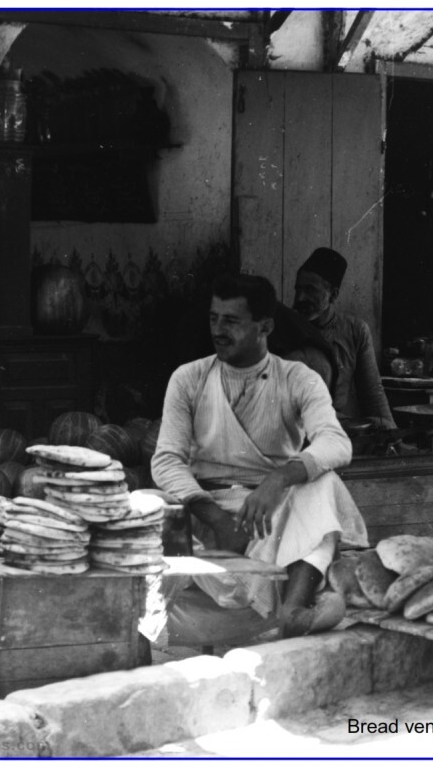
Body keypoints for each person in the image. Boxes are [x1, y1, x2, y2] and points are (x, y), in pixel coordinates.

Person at [151, 273, 369, 638]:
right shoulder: (188, 378)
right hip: (204, 515)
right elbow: (166, 460)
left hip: (271, 517)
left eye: (232, 321)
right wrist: (217, 518)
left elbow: (336, 442)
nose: (219, 330)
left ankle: (293, 609)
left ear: (265, 326)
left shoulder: (298, 378)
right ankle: (143, 631)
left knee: (324, 484)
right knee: (147, 504)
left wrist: (279, 478)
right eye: (213, 318)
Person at [293, 247, 396, 430]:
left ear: (333, 294)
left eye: (310, 290)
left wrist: (391, 435)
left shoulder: (355, 330)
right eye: (298, 289)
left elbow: (373, 393)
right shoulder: (287, 329)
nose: (300, 297)